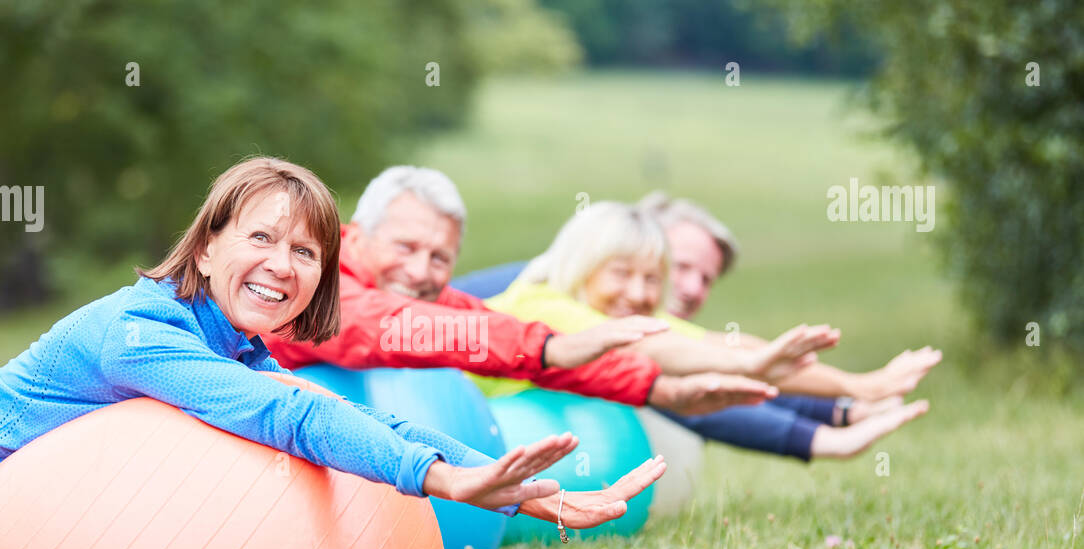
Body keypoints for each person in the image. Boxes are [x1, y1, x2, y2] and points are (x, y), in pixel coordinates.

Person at [0, 158, 667, 549]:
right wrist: (445, 478)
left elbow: (342, 410)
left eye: (309, 252)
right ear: (207, 248)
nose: (285, 264)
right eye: (262, 238)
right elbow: (295, 421)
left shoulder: (241, 344)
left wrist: (512, 489)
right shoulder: (141, 332)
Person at [265, 166, 824, 416]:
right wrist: (546, 346)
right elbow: (385, 327)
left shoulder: (433, 301)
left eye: (440, 257)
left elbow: (515, 353)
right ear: (355, 237)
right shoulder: (313, 283)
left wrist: (658, 390)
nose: (420, 270)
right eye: (405, 247)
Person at [479, 201, 931, 462]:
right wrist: (857, 387)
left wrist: (853, 387)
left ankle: (839, 417)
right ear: (582, 267)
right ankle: (830, 429)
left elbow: (721, 344)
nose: (638, 293)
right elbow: (666, 352)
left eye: (652, 279)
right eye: (620, 273)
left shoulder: (618, 318)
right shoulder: (545, 305)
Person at [647, 192, 942, 404]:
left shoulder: (658, 327)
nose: (693, 289)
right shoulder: (618, 323)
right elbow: (726, 356)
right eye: (681, 266)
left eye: (706, 279)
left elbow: (723, 348)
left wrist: (845, 406)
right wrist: (857, 389)